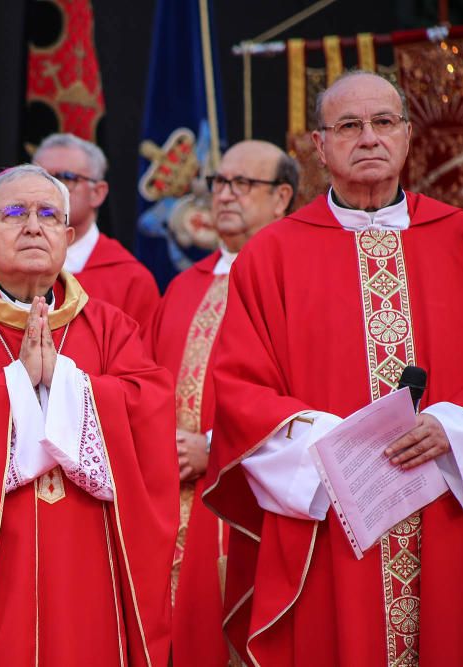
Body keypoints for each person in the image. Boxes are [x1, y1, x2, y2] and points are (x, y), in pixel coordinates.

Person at [203, 70, 463, 665]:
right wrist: (339, 445)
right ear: (320, 148)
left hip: (447, 513)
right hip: (332, 520)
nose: (368, 138)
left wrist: (454, 427)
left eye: (383, 123)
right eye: (348, 125)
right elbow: (240, 389)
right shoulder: (271, 255)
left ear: (407, 136)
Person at [0, 164, 178, 665]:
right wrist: (15, 386)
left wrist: (66, 386)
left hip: (88, 569)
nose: (32, 226)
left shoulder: (111, 328)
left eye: (48, 214)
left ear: (67, 234)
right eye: (14, 213)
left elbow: (149, 410)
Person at [146, 140, 297, 667]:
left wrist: (215, 446)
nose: (225, 195)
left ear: (281, 197)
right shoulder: (183, 286)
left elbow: (312, 391)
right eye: (219, 183)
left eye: (242, 184)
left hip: (249, 497)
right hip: (171, 502)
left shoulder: (296, 278)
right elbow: (150, 383)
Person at [33, 133, 159, 332]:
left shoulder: (131, 280)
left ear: (97, 193)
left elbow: (140, 361)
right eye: (41, 178)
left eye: (66, 178)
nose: (49, 189)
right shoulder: (10, 268)